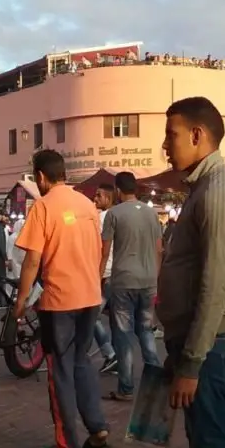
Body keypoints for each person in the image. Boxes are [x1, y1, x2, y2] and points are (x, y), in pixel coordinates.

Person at [157, 97, 225, 448]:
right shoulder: (205, 187)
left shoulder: (216, 192)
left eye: (171, 135)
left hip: (213, 344)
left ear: (197, 135)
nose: (165, 145)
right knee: (204, 445)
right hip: (204, 342)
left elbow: (213, 286)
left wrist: (192, 363)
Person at [13, 150, 109, 448]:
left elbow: (32, 261)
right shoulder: (87, 204)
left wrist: (21, 300)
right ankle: (97, 429)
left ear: (41, 176)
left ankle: (66, 445)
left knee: (61, 372)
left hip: (60, 301)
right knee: (81, 363)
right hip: (90, 297)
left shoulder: (43, 206)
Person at [101, 171, 163, 402]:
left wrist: (98, 278)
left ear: (117, 190)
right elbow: (159, 249)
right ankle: (156, 384)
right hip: (148, 281)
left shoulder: (113, 214)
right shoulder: (151, 213)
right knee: (146, 332)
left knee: (124, 336)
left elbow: (104, 251)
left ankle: (126, 388)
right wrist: (155, 278)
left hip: (123, 281)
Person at [93, 183, 118, 373]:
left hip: (105, 274)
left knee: (92, 316)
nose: (95, 199)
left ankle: (110, 354)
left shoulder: (102, 218)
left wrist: (98, 275)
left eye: (98, 196)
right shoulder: (120, 215)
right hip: (118, 274)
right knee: (117, 321)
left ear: (108, 198)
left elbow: (101, 250)